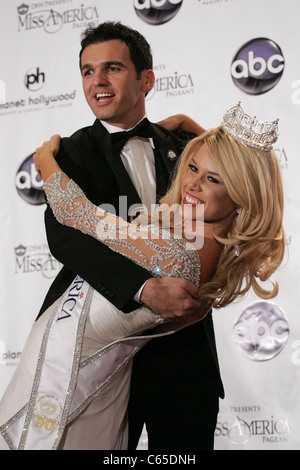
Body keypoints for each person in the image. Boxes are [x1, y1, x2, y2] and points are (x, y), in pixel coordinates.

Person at [0, 102, 285, 450]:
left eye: (212, 179)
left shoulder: (176, 256)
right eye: (192, 167)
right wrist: (184, 121)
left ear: (244, 194)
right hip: (97, 376)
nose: (192, 184)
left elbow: (76, 213)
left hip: (73, 377)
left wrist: (44, 157)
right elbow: (221, 162)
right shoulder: (209, 240)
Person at [34, 21, 223, 450]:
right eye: (87, 71)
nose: (97, 82)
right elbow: (67, 238)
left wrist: (187, 126)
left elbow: (238, 183)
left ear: (146, 79)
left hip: (184, 352)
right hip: (104, 350)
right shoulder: (70, 153)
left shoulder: (188, 145)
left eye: (113, 68)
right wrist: (142, 290)